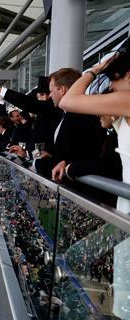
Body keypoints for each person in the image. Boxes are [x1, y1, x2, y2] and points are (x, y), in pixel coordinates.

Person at [60, 36, 130, 213]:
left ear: (129, 76)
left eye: (113, 79)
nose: (111, 87)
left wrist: (95, 70)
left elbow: (67, 101)